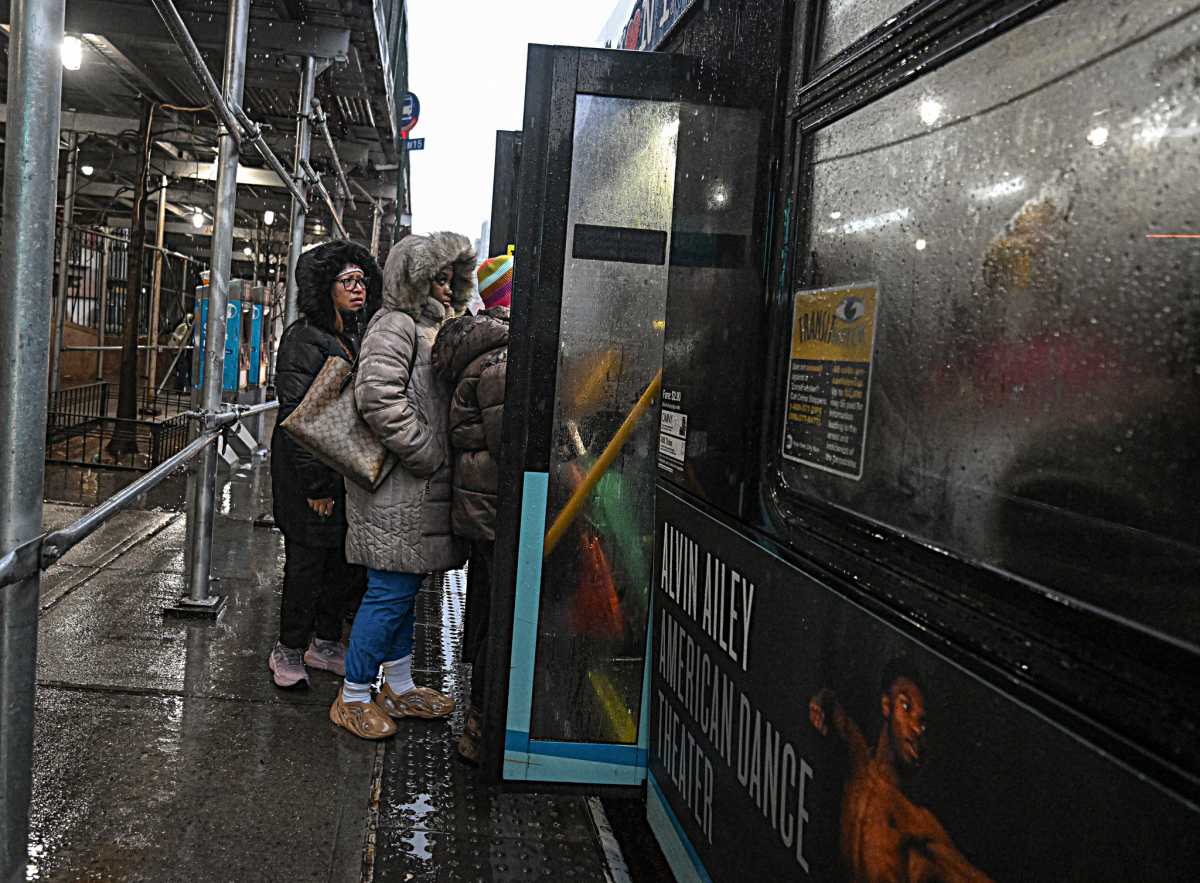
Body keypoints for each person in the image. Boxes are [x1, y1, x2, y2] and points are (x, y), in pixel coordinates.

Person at [330, 231, 477, 740]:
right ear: (412, 281)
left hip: (416, 489)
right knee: (388, 592)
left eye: (451, 279)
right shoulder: (396, 325)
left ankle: (397, 685)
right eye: (437, 279)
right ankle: (352, 696)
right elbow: (376, 397)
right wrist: (426, 452)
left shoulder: (432, 328)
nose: (446, 288)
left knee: (405, 588)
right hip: (397, 487)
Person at [268, 240, 381, 688]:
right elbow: (296, 417)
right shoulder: (303, 339)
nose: (358, 289)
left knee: (339, 562)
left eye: (361, 280)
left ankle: (326, 643)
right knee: (306, 565)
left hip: (340, 472)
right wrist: (316, 486)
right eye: (347, 281)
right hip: (307, 476)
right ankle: (288, 649)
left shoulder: (350, 335)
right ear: (324, 287)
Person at [430, 252, 512, 763]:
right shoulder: (502, 358)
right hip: (497, 503)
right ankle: (481, 723)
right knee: (500, 617)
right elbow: (511, 443)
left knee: (485, 608)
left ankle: (479, 716)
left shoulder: (481, 348)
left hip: (480, 504)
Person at [808, 660, 995, 883]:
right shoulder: (858, 763)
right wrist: (821, 701)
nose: (915, 728)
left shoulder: (915, 821)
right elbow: (836, 710)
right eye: (906, 708)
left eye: (921, 722)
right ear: (886, 705)